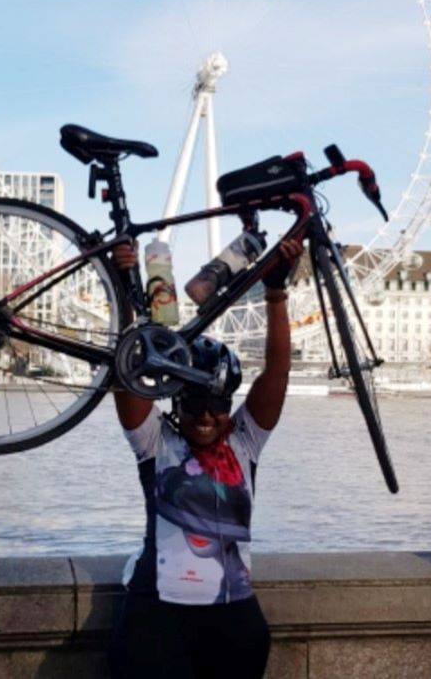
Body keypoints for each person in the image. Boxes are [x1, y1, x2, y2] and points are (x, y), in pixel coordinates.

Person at [108, 237, 303, 679]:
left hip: (234, 619)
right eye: (193, 404)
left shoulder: (245, 441)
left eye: (218, 404)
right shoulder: (155, 442)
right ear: (175, 402)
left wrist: (276, 293)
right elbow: (126, 367)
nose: (207, 416)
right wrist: (124, 284)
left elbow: (277, 370)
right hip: (155, 616)